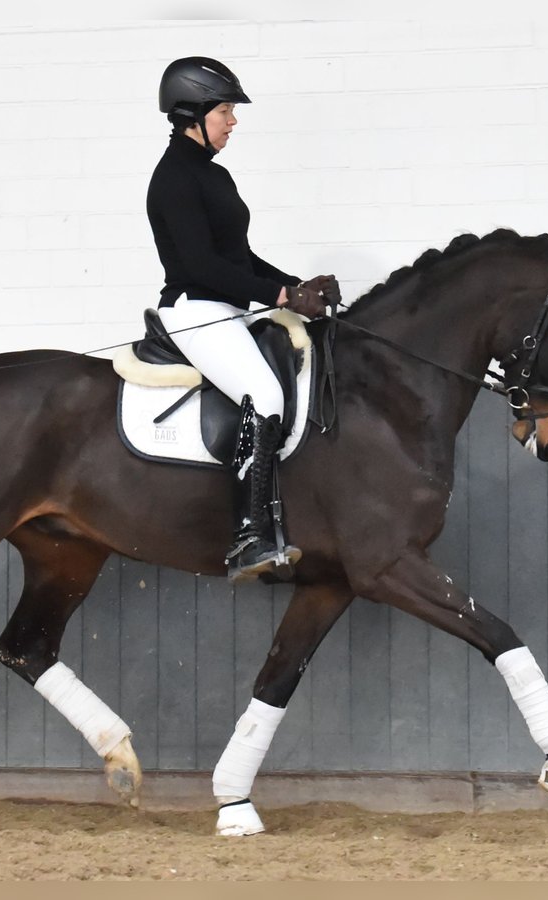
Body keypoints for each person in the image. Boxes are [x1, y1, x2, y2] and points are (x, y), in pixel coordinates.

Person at [147, 56, 341, 582]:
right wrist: (278, 293)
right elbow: (199, 265)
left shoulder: (213, 175)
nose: (233, 121)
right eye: (226, 111)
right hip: (196, 310)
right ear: (193, 113)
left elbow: (239, 259)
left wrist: (295, 288)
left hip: (226, 308)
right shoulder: (173, 179)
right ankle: (248, 536)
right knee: (268, 395)